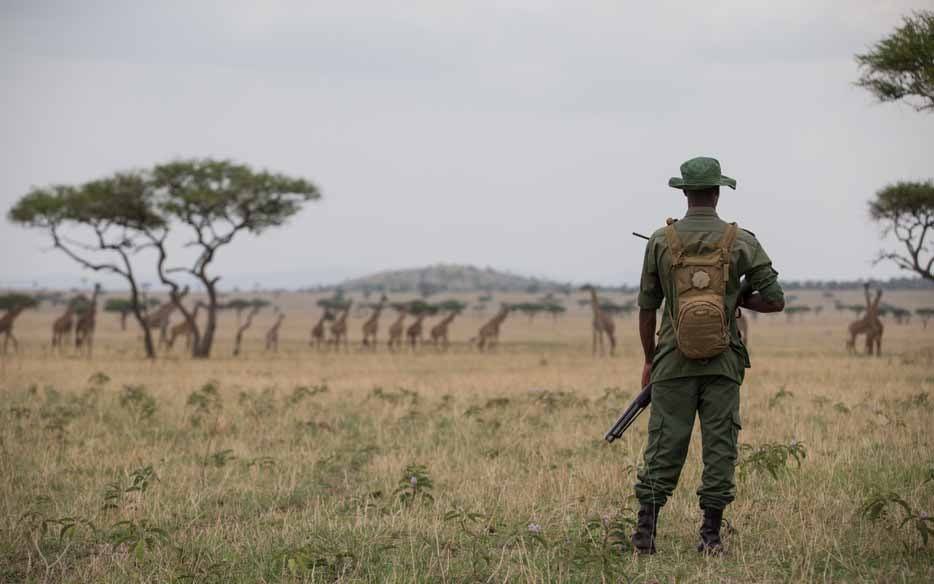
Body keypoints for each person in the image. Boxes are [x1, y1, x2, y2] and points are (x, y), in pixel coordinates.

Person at [631, 156, 785, 555]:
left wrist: (650, 359)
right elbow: (775, 299)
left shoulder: (660, 241)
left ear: (684, 193)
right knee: (720, 446)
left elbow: (647, 309)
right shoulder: (742, 241)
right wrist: (733, 297)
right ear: (718, 193)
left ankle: (644, 537)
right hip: (724, 363)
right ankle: (710, 537)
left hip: (671, 360)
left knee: (664, 443)